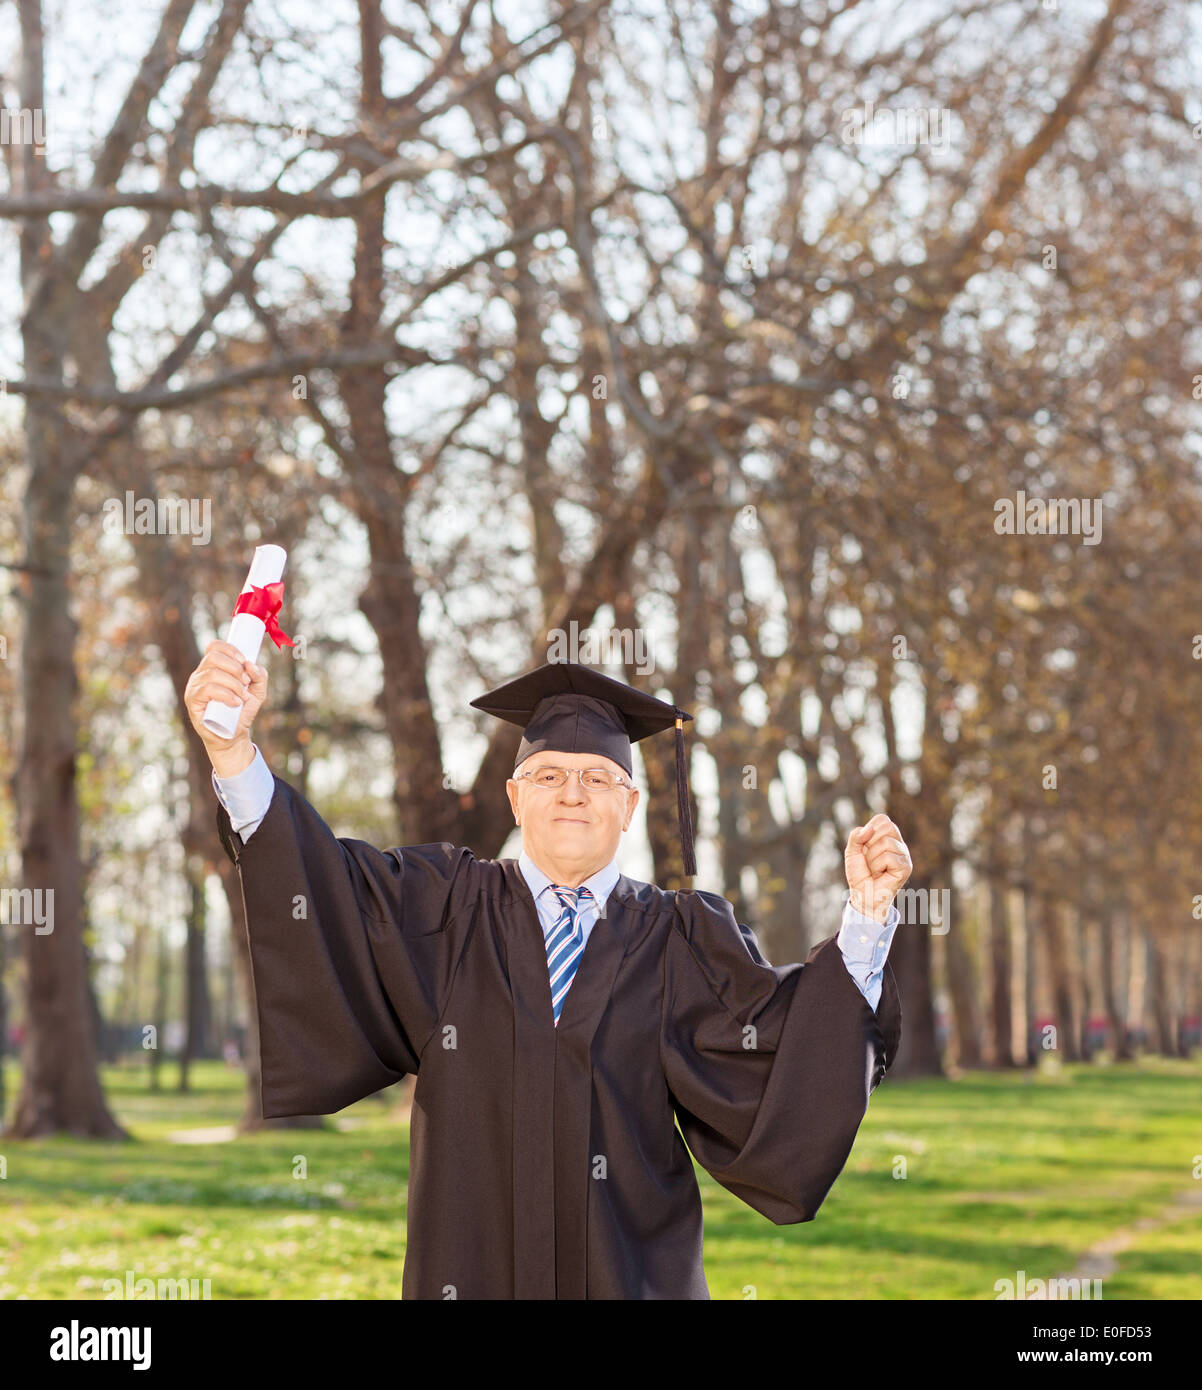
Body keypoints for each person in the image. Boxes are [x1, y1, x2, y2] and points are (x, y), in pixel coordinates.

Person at [184, 642, 910, 1299]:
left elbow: (783, 1042)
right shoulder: (444, 908)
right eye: (550, 774)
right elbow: (328, 887)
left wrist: (866, 920)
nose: (572, 793)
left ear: (629, 807)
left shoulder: (682, 939)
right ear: (514, 796)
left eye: (598, 777)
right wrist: (235, 754)